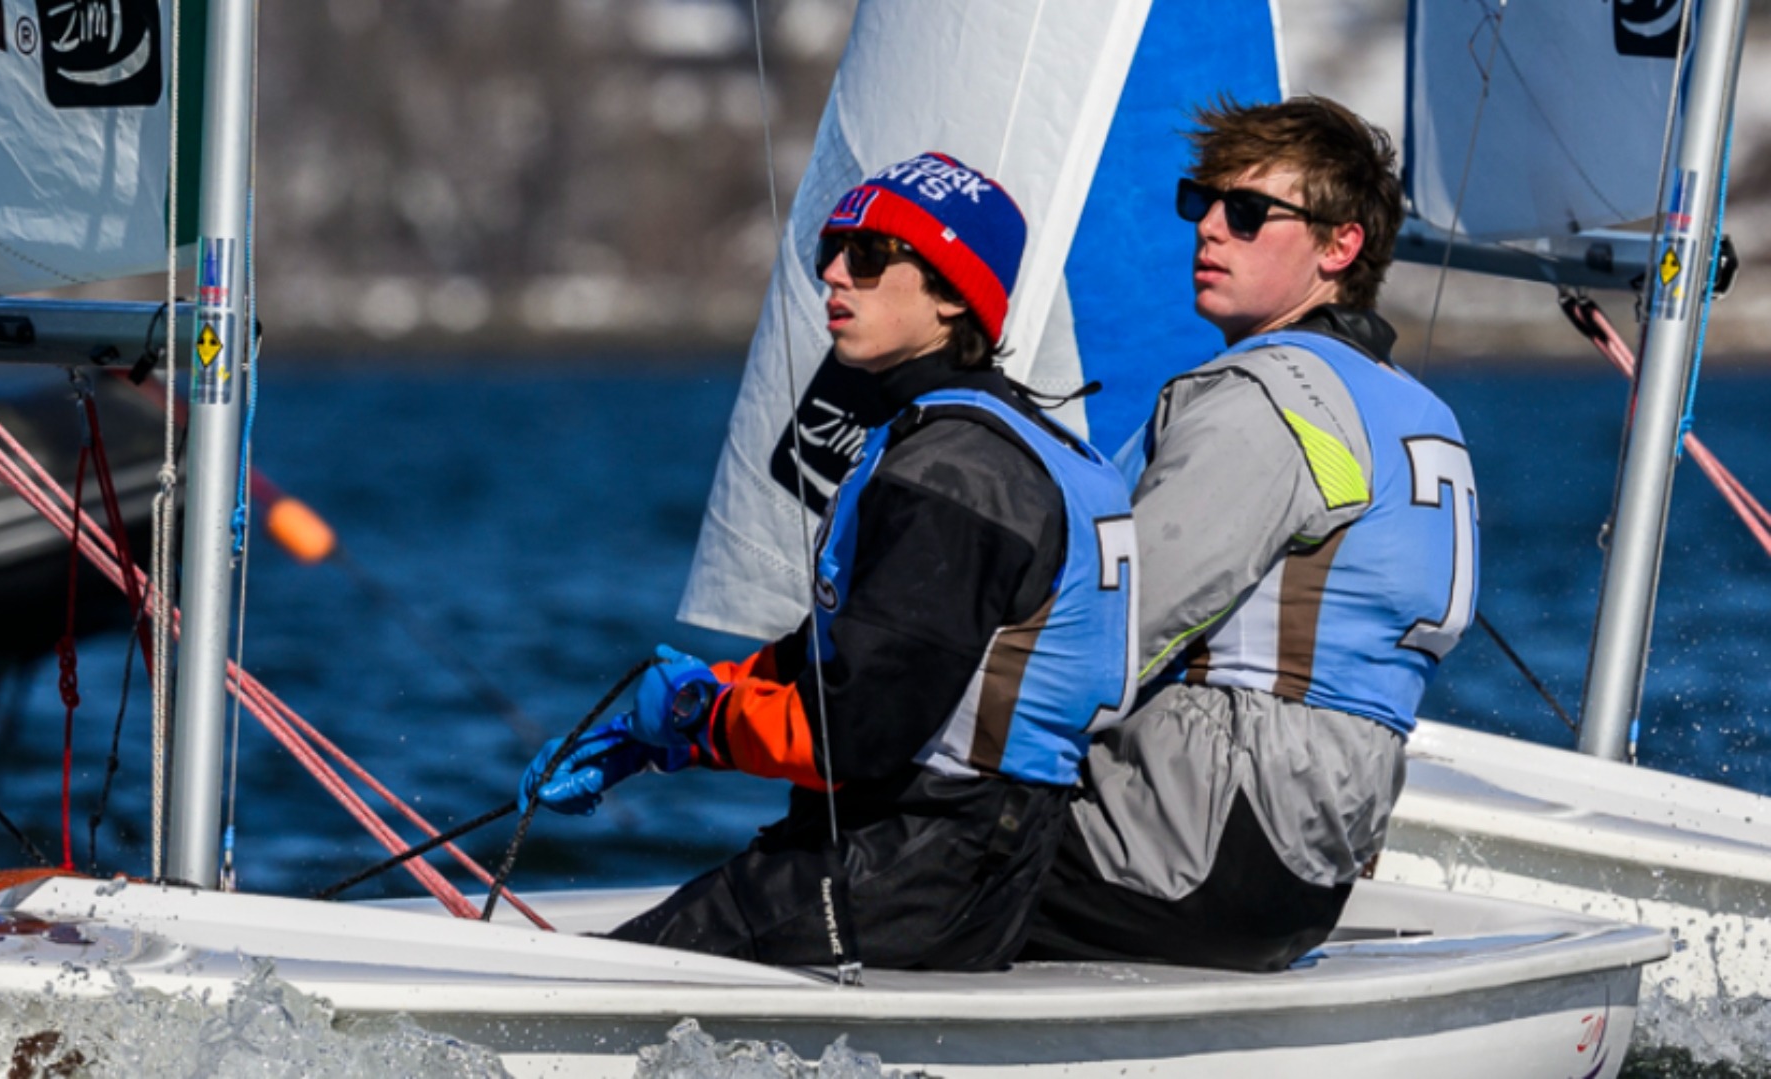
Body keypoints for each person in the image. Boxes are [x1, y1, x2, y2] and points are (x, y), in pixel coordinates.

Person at [520, 152, 1137, 971]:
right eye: (831, 251)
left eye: (874, 256)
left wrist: (693, 717)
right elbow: (850, 656)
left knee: (593, 988)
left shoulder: (952, 476)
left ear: (954, 294)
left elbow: (852, 731)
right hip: (962, 857)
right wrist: (693, 709)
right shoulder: (1010, 443)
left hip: (917, 863)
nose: (835, 275)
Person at [1022, 96, 1480, 972]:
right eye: (1203, 203)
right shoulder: (1423, 413)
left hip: (1188, 853)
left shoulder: (1267, 397)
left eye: (1247, 212)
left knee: (892, 846)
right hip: (1309, 873)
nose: (1210, 232)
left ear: (1338, 247)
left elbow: (1114, 629)